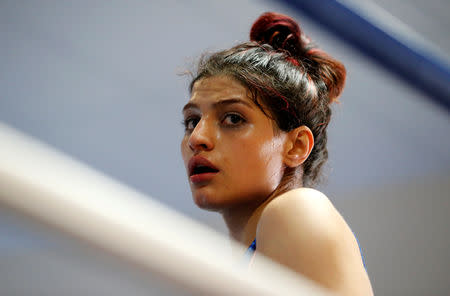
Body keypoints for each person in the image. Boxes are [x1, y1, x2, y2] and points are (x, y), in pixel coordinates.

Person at [180, 12, 373, 295]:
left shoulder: (296, 210)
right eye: (192, 121)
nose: (196, 139)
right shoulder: (243, 266)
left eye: (233, 118)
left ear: (296, 146)